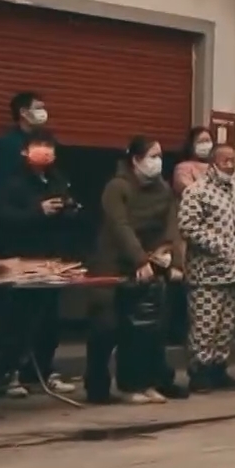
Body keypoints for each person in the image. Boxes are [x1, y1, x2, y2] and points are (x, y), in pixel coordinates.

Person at [86, 137, 183, 405]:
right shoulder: (117, 187)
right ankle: (97, 386)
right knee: (105, 328)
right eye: (152, 156)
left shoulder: (163, 190)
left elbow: (171, 226)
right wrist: (140, 259)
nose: (158, 161)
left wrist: (174, 260)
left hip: (147, 266)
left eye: (160, 155)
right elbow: (120, 226)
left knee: (143, 329)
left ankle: (140, 382)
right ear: (135, 160)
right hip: (113, 262)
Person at [0, 128, 81, 397]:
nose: (45, 151)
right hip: (23, 260)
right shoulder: (13, 183)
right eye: (39, 145)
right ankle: (8, 374)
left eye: (49, 146)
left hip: (52, 261)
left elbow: (70, 216)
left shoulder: (58, 180)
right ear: (24, 151)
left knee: (49, 321)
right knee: (17, 320)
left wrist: (69, 210)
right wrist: (37, 211)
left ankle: (42, 370)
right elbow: (3, 217)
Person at [177, 143, 235, 392]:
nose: (230, 165)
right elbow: (187, 226)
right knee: (204, 324)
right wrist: (219, 245)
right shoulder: (197, 191)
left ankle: (219, 369)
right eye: (225, 161)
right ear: (213, 162)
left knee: (225, 326)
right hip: (206, 272)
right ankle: (199, 371)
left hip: (231, 271)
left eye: (233, 160)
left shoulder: (232, 190)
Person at [0, 91, 50, 201]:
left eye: (43, 108)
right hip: (21, 206)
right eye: (37, 108)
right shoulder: (9, 142)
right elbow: (4, 182)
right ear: (23, 112)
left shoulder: (47, 139)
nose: (43, 112)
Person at [174, 126, 215, 195]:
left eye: (207, 141)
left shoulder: (215, 167)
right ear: (191, 145)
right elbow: (189, 190)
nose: (205, 145)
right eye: (201, 141)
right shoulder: (182, 168)